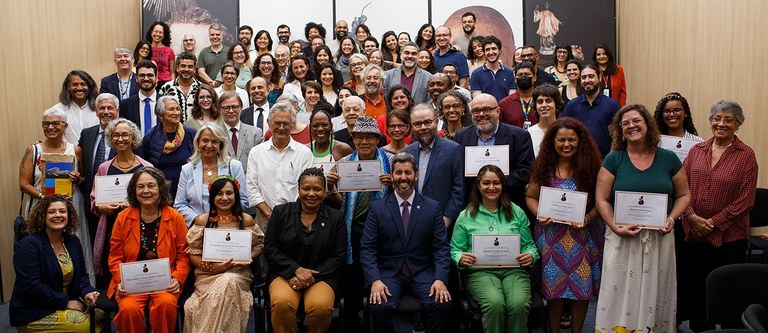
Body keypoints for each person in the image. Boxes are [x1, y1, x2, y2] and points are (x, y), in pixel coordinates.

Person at [594, 104, 691, 332]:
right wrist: (615, 226)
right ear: (620, 130)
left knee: (656, 291)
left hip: (659, 237)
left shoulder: (668, 159)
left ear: (648, 123)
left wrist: (672, 218)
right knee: (617, 291)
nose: (631, 126)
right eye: (625, 123)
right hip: (621, 238)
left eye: (636, 120)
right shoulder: (613, 159)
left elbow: (685, 195)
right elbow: (601, 199)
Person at [681, 100, 757, 332]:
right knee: (696, 288)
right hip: (694, 233)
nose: (721, 123)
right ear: (710, 121)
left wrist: (713, 223)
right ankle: (698, 328)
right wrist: (692, 217)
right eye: (717, 118)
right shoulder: (696, 151)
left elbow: (746, 200)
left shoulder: (746, 156)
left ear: (737, 125)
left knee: (727, 291)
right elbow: (681, 187)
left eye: (728, 119)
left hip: (730, 237)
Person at [525, 118, 603, 333]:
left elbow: (601, 201)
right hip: (551, 236)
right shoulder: (544, 167)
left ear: (581, 141)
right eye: (561, 140)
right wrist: (539, 214)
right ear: (552, 142)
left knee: (582, 287)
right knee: (553, 288)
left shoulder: (592, 168)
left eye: (571, 140)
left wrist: (588, 218)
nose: (566, 144)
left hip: (583, 236)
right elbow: (531, 197)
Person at [361, 152, 452, 333]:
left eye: (408, 173)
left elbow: (441, 248)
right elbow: (367, 249)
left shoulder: (432, 207)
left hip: (422, 272)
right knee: (378, 305)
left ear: (416, 175)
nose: (403, 177)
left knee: (442, 303)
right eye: (398, 172)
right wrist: (375, 280)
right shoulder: (377, 208)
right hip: (389, 274)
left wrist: (440, 279)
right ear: (392, 176)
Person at [451, 164, 539, 333]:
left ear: (502, 185)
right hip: (481, 273)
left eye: (496, 183)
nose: (491, 187)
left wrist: (530, 255)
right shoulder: (466, 216)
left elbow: (529, 245)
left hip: (514, 271)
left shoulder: (516, 212)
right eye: (486, 183)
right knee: (495, 304)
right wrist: (460, 257)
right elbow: (455, 249)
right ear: (478, 185)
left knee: (519, 304)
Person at [326, 116, 395, 330]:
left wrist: (393, 186)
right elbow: (340, 205)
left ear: (377, 139)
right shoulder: (343, 165)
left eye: (369, 138)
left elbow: (405, 199)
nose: (364, 142)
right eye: (359, 138)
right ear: (353, 140)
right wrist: (330, 188)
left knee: (381, 282)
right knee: (353, 285)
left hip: (385, 234)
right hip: (353, 233)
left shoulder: (392, 162)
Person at [265, 167, 347, 333]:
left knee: (321, 306)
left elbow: (338, 255)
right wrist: (296, 270)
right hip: (284, 273)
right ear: (298, 189)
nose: (311, 194)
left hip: (322, 275)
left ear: (324, 192)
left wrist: (307, 276)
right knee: (282, 303)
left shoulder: (336, 217)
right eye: (306, 188)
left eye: (317, 189)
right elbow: (270, 248)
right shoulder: (280, 212)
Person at [108, 167, 190, 333]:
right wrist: (120, 280)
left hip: (165, 282)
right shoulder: (123, 218)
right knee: (129, 309)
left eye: (151, 186)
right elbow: (115, 257)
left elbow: (184, 255)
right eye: (140, 187)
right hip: (131, 283)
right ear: (134, 191)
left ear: (160, 188)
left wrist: (177, 278)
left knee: (166, 305)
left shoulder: (175, 217)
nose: (146, 191)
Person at [19, 109, 94, 284]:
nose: (51, 127)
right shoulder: (34, 150)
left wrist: (78, 178)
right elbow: (23, 183)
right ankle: (44, 289)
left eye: (55, 123)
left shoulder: (75, 150)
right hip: (41, 207)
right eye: (46, 124)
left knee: (73, 245)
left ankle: (80, 288)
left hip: (70, 205)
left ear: (65, 127)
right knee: (42, 248)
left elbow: (83, 177)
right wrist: (43, 196)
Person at [183, 176, 264, 332]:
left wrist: (248, 258)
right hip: (208, 275)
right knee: (202, 301)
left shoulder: (246, 220)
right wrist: (214, 269)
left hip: (238, 273)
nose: (224, 198)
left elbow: (259, 245)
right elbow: (193, 253)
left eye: (229, 193)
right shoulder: (202, 221)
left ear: (236, 196)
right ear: (213, 197)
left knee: (229, 280)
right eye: (219, 193)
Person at [9, 195, 101, 331]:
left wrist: (87, 291)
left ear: (69, 215)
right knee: (85, 325)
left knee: (101, 316)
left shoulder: (73, 241)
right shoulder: (29, 245)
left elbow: (81, 275)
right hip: (35, 310)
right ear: (42, 216)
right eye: (51, 212)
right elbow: (32, 286)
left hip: (67, 302)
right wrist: (65, 303)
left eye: (62, 211)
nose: (58, 215)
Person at [91, 118, 152, 287]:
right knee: (113, 264)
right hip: (112, 225)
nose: (120, 139)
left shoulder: (146, 167)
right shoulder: (104, 168)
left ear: (133, 139)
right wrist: (100, 206)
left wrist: (135, 205)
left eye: (125, 135)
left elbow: (155, 199)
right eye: (115, 135)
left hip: (141, 226)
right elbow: (94, 199)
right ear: (111, 139)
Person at [455, 93, 534, 208]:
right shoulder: (461, 136)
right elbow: (458, 171)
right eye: (476, 111)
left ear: (497, 111)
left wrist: (493, 184)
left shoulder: (519, 136)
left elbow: (526, 171)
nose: (481, 115)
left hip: (508, 203)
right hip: (473, 205)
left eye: (487, 109)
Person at [246, 102, 314, 229]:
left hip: (296, 221)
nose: (281, 128)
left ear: (293, 125)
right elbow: (252, 188)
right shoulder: (256, 152)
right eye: (277, 123)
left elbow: (307, 187)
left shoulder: (304, 153)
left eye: (286, 124)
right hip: (264, 222)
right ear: (269, 123)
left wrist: (289, 216)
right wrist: (270, 215)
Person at [174, 123, 248, 226]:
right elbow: (180, 204)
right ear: (198, 143)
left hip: (228, 226)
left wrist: (221, 218)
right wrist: (198, 219)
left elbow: (244, 201)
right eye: (205, 141)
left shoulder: (234, 166)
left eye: (214, 142)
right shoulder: (187, 169)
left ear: (220, 146)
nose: (209, 145)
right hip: (197, 227)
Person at [403, 104, 465, 227]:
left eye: (427, 122)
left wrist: (447, 219)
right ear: (412, 126)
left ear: (436, 122)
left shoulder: (453, 149)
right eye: (418, 124)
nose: (423, 127)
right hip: (412, 222)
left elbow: (459, 189)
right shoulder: (407, 153)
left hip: (443, 222)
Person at [79, 93, 120, 245]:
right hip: (92, 203)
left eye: (110, 108)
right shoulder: (86, 134)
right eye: (102, 108)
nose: (106, 112)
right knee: (93, 242)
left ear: (117, 111)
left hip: (118, 204)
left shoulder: (127, 136)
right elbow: (78, 157)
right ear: (96, 111)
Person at [139, 95, 197, 198]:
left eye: (177, 109)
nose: (176, 113)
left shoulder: (192, 134)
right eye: (171, 109)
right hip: (162, 193)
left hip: (188, 191)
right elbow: (145, 165)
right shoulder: (151, 137)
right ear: (160, 115)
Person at [562, 64, 621, 156]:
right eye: (584, 77)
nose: (587, 80)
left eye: (591, 76)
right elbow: (564, 133)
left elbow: (618, 135)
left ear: (599, 78)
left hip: (605, 161)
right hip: (577, 161)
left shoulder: (612, 105)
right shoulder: (571, 106)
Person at [48, 70, 99, 144]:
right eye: (75, 84)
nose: (79, 88)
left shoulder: (99, 109)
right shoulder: (58, 110)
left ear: (89, 87)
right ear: (68, 87)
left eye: (83, 84)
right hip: (68, 153)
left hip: (92, 153)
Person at [220, 91, 264, 174]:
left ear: (241, 108)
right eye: (226, 108)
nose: (231, 111)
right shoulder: (214, 134)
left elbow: (261, 163)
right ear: (220, 110)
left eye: (235, 107)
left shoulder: (255, 134)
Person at [158, 53, 202, 123]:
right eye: (183, 66)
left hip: (196, 131)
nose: (186, 69)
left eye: (190, 66)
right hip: (172, 131)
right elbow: (160, 112)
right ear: (177, 68)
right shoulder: (166, 88)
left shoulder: (202, 89)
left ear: (194, 69)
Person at [470, 36, 516, 102]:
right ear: (484, 52)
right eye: (487, 49)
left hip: (505, 111)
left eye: (494, 48)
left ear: (499, 51)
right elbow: (478, 101)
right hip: (485, 111)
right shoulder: (476, 74)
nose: (491, 52)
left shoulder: (509, 73)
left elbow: (511, 99)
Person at [120, 60, 160, 134]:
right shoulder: (126, 105)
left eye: (150, 75)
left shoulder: (166, 102)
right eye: (142, 75)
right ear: (136, 79)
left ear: (156, 78)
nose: (146, 79)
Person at [499, 61, 540, 129]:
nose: (523, 77)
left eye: (527, 74)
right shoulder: (504, 104)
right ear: (515, 79)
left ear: (534, 78)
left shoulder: (542, 101)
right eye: (520, 75)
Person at [526, 84, 563, 156]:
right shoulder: (529, 133)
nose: (544, 105)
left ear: (556, 104)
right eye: (540, 102)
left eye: (548, 101)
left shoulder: (565, 130)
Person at [146, 21, 176, 88]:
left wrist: (173, 86)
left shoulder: (169, 50)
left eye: (160, 32)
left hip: (166, 83)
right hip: (149, 82)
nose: (158, 34)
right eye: (156, 31)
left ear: (164, 35)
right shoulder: (146, 49)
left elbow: (172, 72)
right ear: (151, 32)